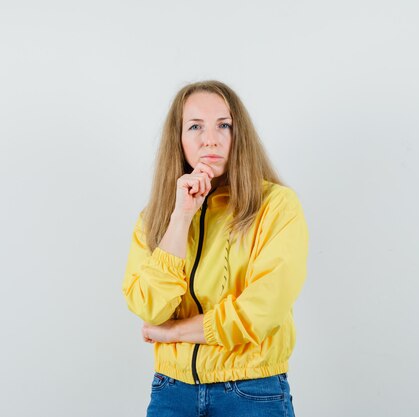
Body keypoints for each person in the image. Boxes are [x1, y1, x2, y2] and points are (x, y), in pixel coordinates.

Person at [121, 80, 309, 417]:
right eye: (195, 126)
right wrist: (180, 217)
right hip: (171, 392)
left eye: (224, 125)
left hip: (252, 391)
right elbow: (150, 306)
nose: (211, 138)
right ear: (177, 140)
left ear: (240, 136)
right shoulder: (155, 218)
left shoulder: (277, 206)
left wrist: (173, 332)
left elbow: (260, 313)